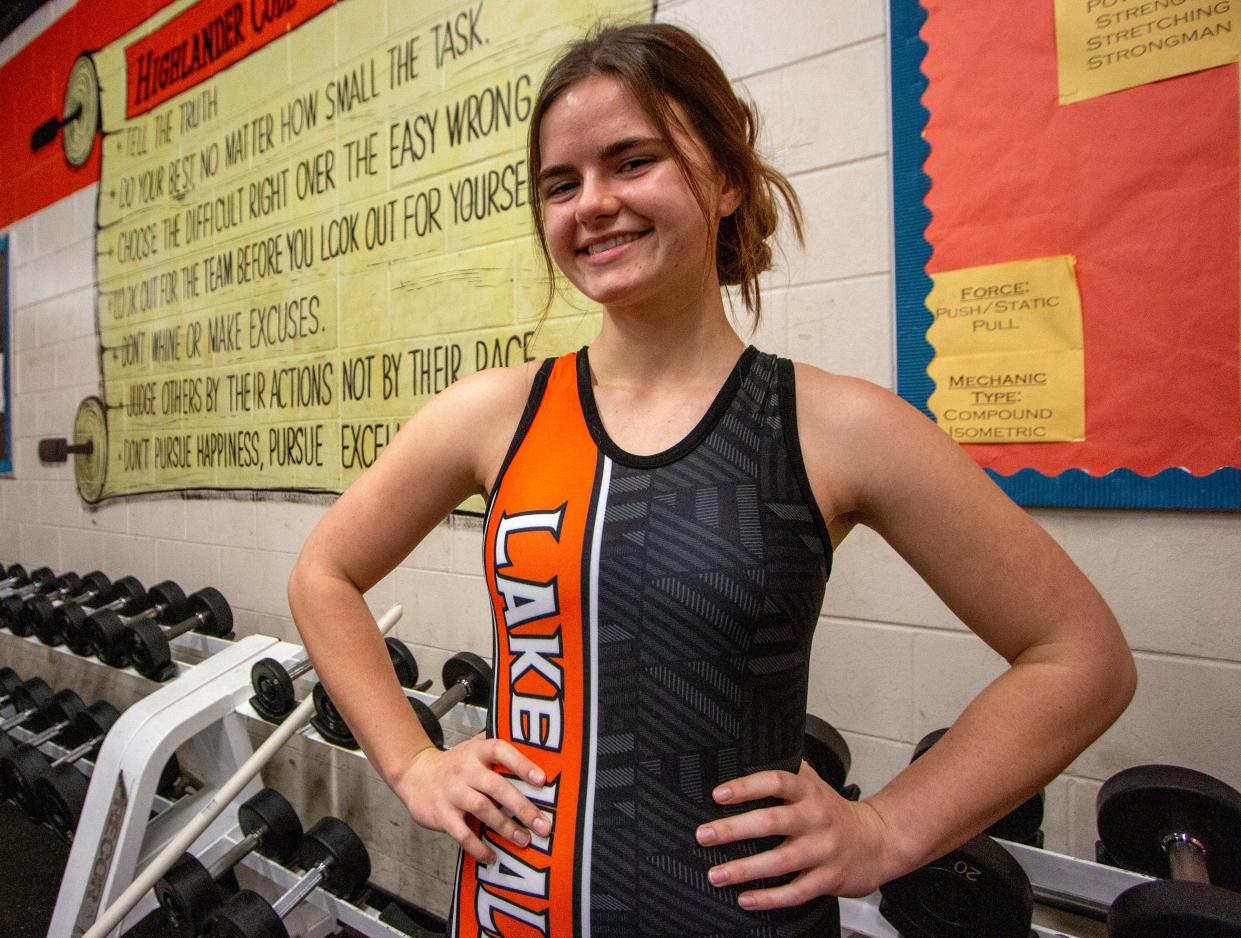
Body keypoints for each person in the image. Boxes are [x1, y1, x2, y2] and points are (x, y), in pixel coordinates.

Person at [288, 21, 1136, 937]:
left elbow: (1079, 657)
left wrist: (887, 829)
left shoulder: (830, 426)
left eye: (632, 161)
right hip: (509, 913)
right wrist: (414, 765)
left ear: (726, 178)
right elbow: (322, 577)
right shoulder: (494, 415)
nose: (592, 204)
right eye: (560, 184)